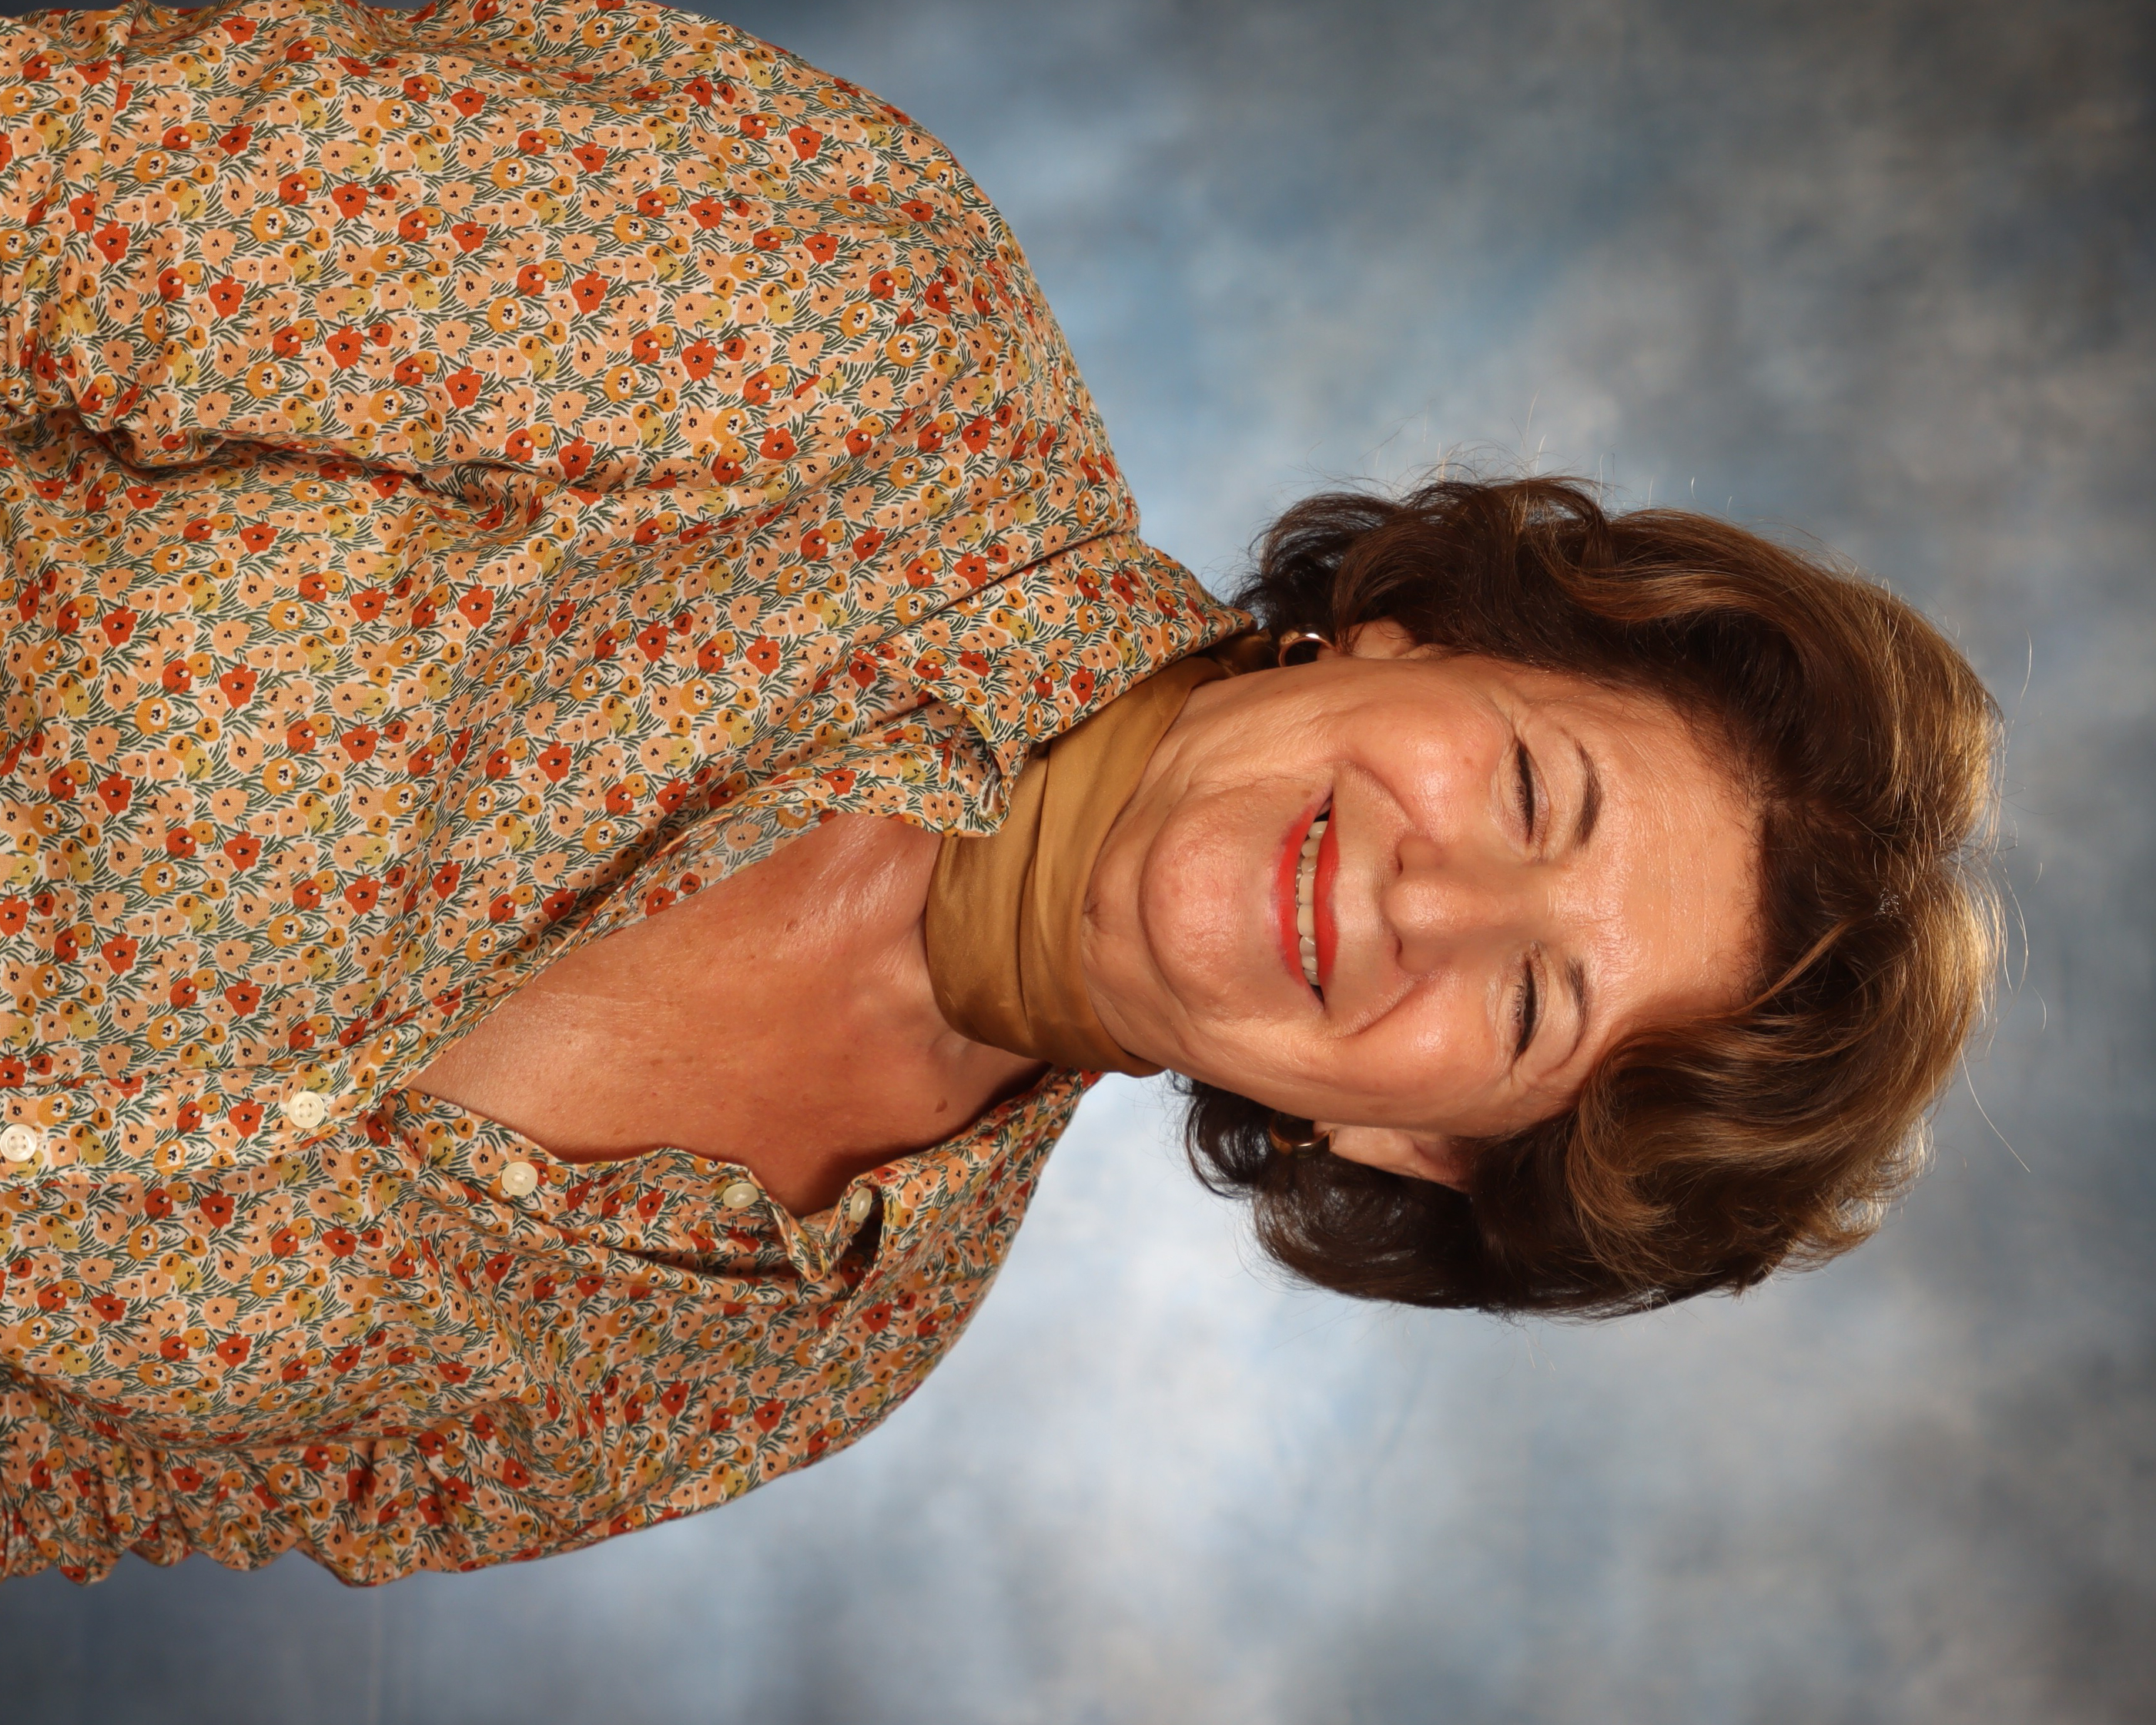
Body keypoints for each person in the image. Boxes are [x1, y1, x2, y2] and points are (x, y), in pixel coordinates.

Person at [0, 0, 1997, 1586]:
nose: (1431, 901)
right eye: (1534, 793)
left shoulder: (806, 1357)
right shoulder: (847, 317)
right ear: (1419, 631)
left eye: (1533, 1006)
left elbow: (86, 1481)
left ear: (1418, 1149)